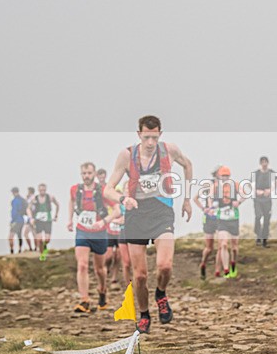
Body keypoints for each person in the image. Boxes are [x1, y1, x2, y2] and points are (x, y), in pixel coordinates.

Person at [104, 115, 193, 334]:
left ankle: (161, 294)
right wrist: (124, 200)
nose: (151, 143)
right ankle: (144, 313)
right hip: (136, 215)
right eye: (146, 138)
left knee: (165, 265)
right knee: (140, 275)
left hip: (162, 212)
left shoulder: (169, 150)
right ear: (139, 135)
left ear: (160, 134)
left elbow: (188, 165)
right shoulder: (126, 155)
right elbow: (108, 189)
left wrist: (187, 199)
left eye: (154, 137)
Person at [68, 162, 118, 313]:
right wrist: (70, 220)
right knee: (82, 265)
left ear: (94, 174)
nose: (86, 176)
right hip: (82, 231)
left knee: (99, 270)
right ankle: (84, 300)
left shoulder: (102, 191)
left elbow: (116, 210)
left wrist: (103, 221)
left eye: (89, 173)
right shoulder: (75, 190)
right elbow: (71, 202)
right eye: (84, 173)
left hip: (100, 232)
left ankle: (102, 290)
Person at [213, 166, 242, 278]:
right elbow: (210, 197)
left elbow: (245, 194)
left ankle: (233, 264)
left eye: (226, 176)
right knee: (223, 244)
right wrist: (211, 207)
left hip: (233, 219)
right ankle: (225, 270)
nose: (224, 178)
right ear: (219, 176)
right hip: (222, 220)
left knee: (234, 247)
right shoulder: (216, 187)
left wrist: (239, 202)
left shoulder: (235, 185)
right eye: (223, 176)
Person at [194, 166, 222, 279]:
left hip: (221, 218)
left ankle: (217, 271)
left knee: (222, 246)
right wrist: (203, 208)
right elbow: (195, 198)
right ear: (215, 174)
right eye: (220, 173)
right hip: (209, 218)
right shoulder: (208, 185)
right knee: (209, 248)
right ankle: (203, 264)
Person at [27, 183, 60, 261]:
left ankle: (44, 250)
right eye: (41, 190)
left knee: (47, 240)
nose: (42, 191)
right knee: (39, 239)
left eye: (44, 190)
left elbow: (57, 205)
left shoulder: (50, 197)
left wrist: (56, 215)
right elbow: (28, 208)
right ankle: (42, 254)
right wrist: (31, 218)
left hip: (48, 220)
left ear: (46, 190)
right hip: (38, 221)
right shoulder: (34, 198)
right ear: (38, 190)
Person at [252, 156, 273, 247]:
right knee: (258, 216)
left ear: (268, 163)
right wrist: (257, 191)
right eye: (262, 162)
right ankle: (258, 235)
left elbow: (274, 184)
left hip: (267, 199)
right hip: (258, 199)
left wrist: (270, 190)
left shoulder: (272, 173)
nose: (264, 164)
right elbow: (251, 184)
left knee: (267, 218)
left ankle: (264, 239)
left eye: (266, 162)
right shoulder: (256, 173)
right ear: (260, 163)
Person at [9, 187, 27, 254]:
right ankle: (19, 250)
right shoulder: (21, 200)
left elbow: (15, 212)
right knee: (19, 235)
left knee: (10, 237)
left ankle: (12, 251)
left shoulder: (16, 201)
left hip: (17, 220)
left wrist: (12, 221)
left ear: (14, 192)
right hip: (20, 220)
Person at [22, 187, 36, 251]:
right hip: (28, 218)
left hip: (33, 217)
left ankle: (35, 248)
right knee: (26, 233)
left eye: (28, 191)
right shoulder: (28, 198)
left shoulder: (34, 198)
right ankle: (31, 248)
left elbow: (32, 208)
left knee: (33, 233)